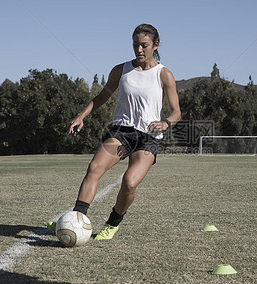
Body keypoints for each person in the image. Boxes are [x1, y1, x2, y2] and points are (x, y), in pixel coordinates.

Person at [65, 24, 180, 240]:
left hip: (148, 138)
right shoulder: (121, 70)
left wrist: (165, 122)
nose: (139, 50)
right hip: (121, 132)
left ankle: (113, 223)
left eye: (144, 45)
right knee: (95, 167)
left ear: (155, 45)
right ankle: (76, 219)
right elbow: (101, 97)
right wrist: (81, 116)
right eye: (135, 45)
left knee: (129, 182)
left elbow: (176, 113)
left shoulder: (164, 74)